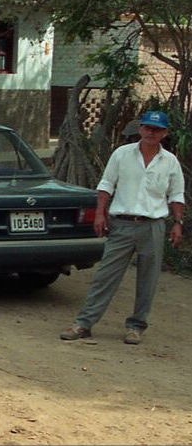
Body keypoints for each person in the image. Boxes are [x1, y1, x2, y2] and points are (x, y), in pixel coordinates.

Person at [59, 110, 185, 344]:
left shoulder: (170, 161)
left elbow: (176, 194)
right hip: (122, 224)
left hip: (153, 226)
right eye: (147, 127)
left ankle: (136, 326)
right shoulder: (122, 154)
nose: (151, 132)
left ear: (164, 133)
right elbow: (107, 184)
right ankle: (83, 324)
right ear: (140, 129)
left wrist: (177, 223)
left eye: (156, 129)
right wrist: (99, 213)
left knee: (148, 280)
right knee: (105, 275)